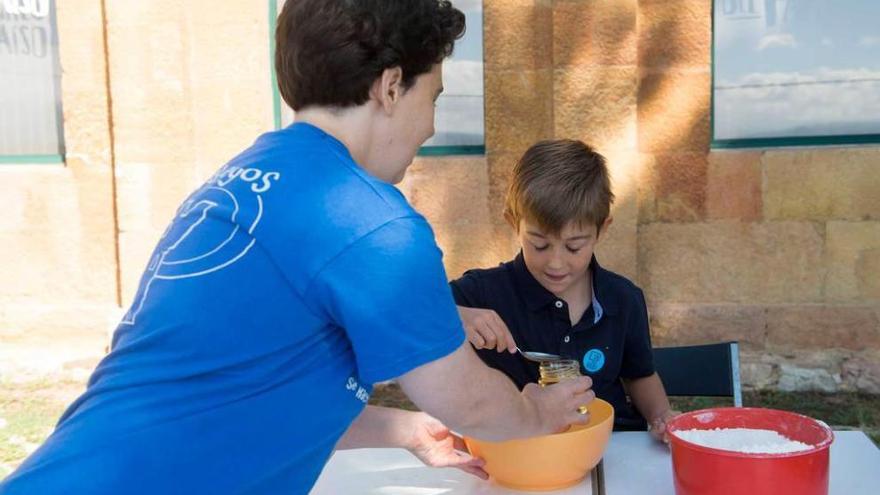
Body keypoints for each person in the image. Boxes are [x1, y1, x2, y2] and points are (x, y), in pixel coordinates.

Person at [0, 1, 595, 494]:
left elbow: (247, 397)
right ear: (391, 87)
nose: (431, 127)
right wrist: (536, 413)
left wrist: (407, 430)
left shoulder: (236, 184)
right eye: (432, 97)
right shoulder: (373, 222)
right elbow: (471, 402)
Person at [451, 139, 678, 441]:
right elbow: (404, 312)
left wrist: (661, 417)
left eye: (574, 246)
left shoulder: (624, 299)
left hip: (611, 451)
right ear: (513, 223)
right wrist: (455, 314)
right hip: (521, 453)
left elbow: (639, 374)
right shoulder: (481, 293)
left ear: (603, 229)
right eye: (539, 244)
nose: (556, 263)